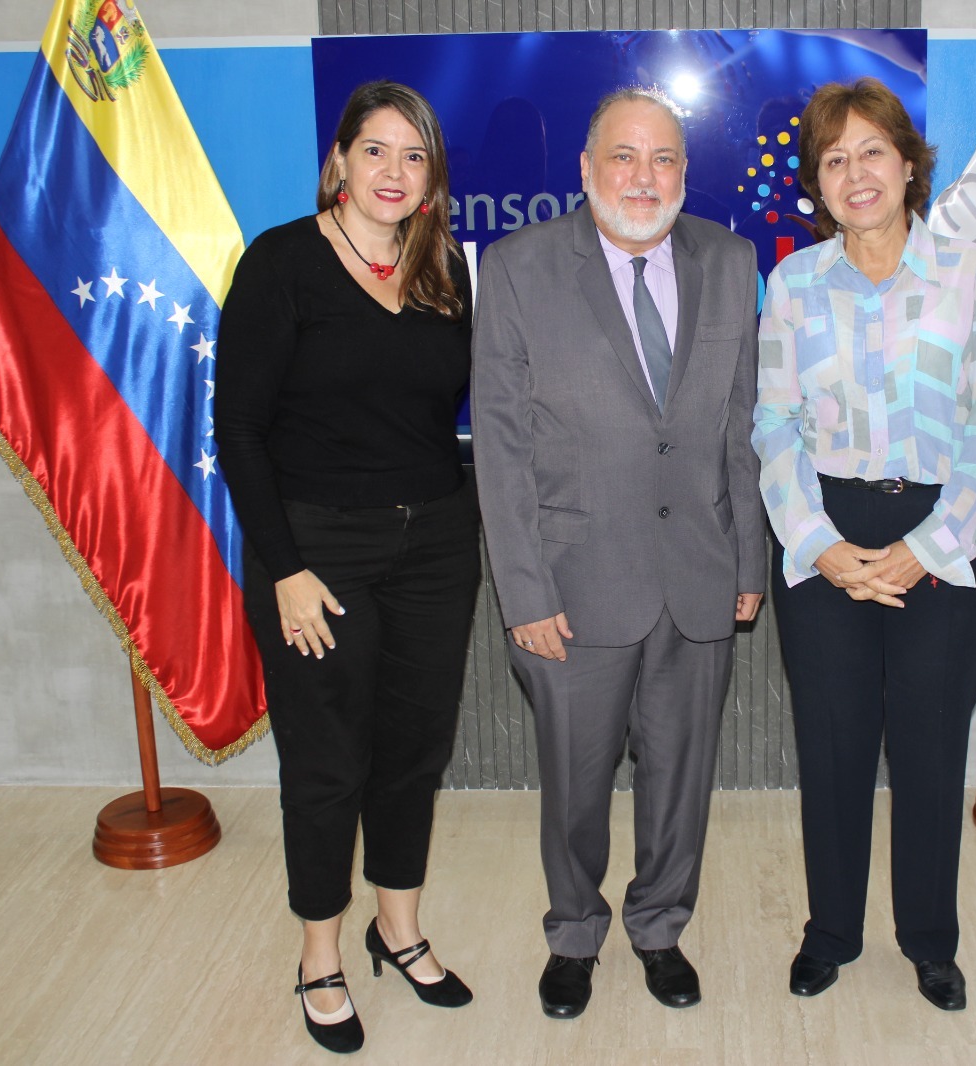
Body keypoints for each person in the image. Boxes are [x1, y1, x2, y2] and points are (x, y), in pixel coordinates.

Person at [470, 86, 764, 1020]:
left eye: (664, 158)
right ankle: (573, 933)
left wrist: (749, 563)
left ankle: (660, 926)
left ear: (685, 171)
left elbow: (741, 427)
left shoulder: (730, 261)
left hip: (700, 575)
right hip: (571, 583)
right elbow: (501, 445)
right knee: (575, 783)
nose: (645, 177)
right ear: (586, 168)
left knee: (682, 777)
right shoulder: (517, 268)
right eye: (625, 157)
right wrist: (522, 591)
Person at [213, 81, 479, 1054]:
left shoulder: (445, 269)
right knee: (328, 763)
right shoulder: (281, 261)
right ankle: (318, 953)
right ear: (339, 162)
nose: (393, 172)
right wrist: (282, 567)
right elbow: (239, 428)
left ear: (432, 176)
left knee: (414, 751)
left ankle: (397, 929)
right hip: (317, 551)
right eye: (376, 150)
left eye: (414, 156)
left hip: (437, 544)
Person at [752, 78, 976, 1012]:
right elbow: (774, 422)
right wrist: (818, 544)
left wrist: (932, 547)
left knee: (929, 747)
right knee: (831, 747)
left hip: (946, 535)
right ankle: (831, 932)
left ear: (909, 164)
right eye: (834, 159)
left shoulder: (974, 275)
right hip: (826, 532)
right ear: (817, 185)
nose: (855, 173)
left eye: (872, 151)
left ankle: (930, 941)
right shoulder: (794, 285)